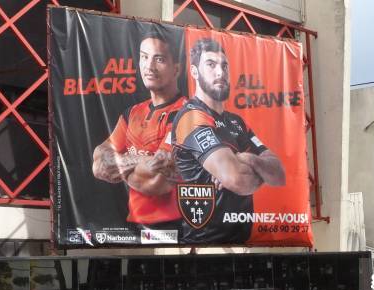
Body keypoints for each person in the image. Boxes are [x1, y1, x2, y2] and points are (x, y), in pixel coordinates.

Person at [171, 38, 285, 244]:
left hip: (242, 240)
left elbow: (278, 174)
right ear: (194, 72)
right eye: (211, 65)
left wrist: (245, 158)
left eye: (224, 66)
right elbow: (238, 179)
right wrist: (256, 168)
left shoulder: (236, 122)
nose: (220, 72)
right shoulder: (191, 117)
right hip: (204, 245)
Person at [92, 28, 186, 229]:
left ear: (176, 69)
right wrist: (140, 162)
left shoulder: (188, 114)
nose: (149, 66)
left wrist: (119, 164)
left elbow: (156, 182)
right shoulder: (132, 112)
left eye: (159, 59)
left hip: (175, 228)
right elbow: (98, 162)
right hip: (134, 226)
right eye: (144, 57)